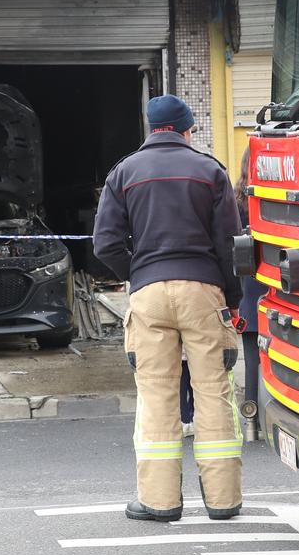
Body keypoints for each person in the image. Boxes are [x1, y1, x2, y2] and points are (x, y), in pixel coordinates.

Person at [93, 94, 244, 523]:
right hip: (203, 292)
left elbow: (104, 243)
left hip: (148, 294)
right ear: (187, 128)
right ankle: (223, 500)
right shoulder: (209, 170)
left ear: (151, 128)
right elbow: (229, 246)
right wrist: (231, 299)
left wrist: (137, 272)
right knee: (214, 392)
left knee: (157, 395)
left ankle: (159, 504)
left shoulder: (123, 173)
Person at [235, 147, 266, 432]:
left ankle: (251, 418)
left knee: (252, 359)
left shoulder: (237, 201)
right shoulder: (272, 198)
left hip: (248, 291)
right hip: (278, 289)